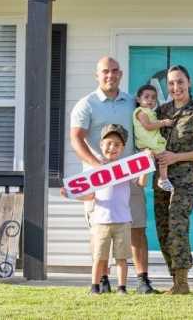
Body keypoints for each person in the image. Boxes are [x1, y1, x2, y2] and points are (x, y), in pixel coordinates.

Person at [69, 56, 157, 294]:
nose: (110, 75)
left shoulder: (132, 102)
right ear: (97, 75)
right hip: (98, 181)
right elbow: (76, 138)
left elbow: (146, 128)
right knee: (101, 231)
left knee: (136, 227)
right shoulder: (86, 104)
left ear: (121, 74)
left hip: (129, 176)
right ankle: (103, 280)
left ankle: (142, 280)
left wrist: (147, 156)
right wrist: (97, 165)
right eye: (105, 71)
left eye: (115, 71)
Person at [61, 125, 149, 295]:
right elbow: (89, 196)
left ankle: (122, 288)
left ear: (123, 148)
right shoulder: (96, 169)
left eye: (117, 144)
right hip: (100, 221)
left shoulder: (126, 168)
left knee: (121, 258)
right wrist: (71, 194)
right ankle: (94, 287)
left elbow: (141, 183)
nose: (112, 148)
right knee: (99, 257)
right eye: (108, 143)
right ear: (101, 145)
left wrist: (145, 168)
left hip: (123, 220)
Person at [154, 65, 193, 295]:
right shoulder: (161, 112)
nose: (175, 87)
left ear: (189, 82)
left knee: (177, 223)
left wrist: (176, 157)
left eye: (180, 82)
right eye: (171, 83)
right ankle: (175, 279)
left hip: (186, 177)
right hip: (161, 177)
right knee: (163, 227)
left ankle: (182, 282)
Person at [133, 84, 175, 192]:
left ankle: (153, 180)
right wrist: (163, 123)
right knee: (161, 158)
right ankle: (160, 179)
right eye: (146, 97)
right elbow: (148, 126)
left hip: (151, 142)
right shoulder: (141, 112)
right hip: (147, 142)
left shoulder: (151, 112)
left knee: (155, 160)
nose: (150, 100)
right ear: (138, 99)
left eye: (153, 97)